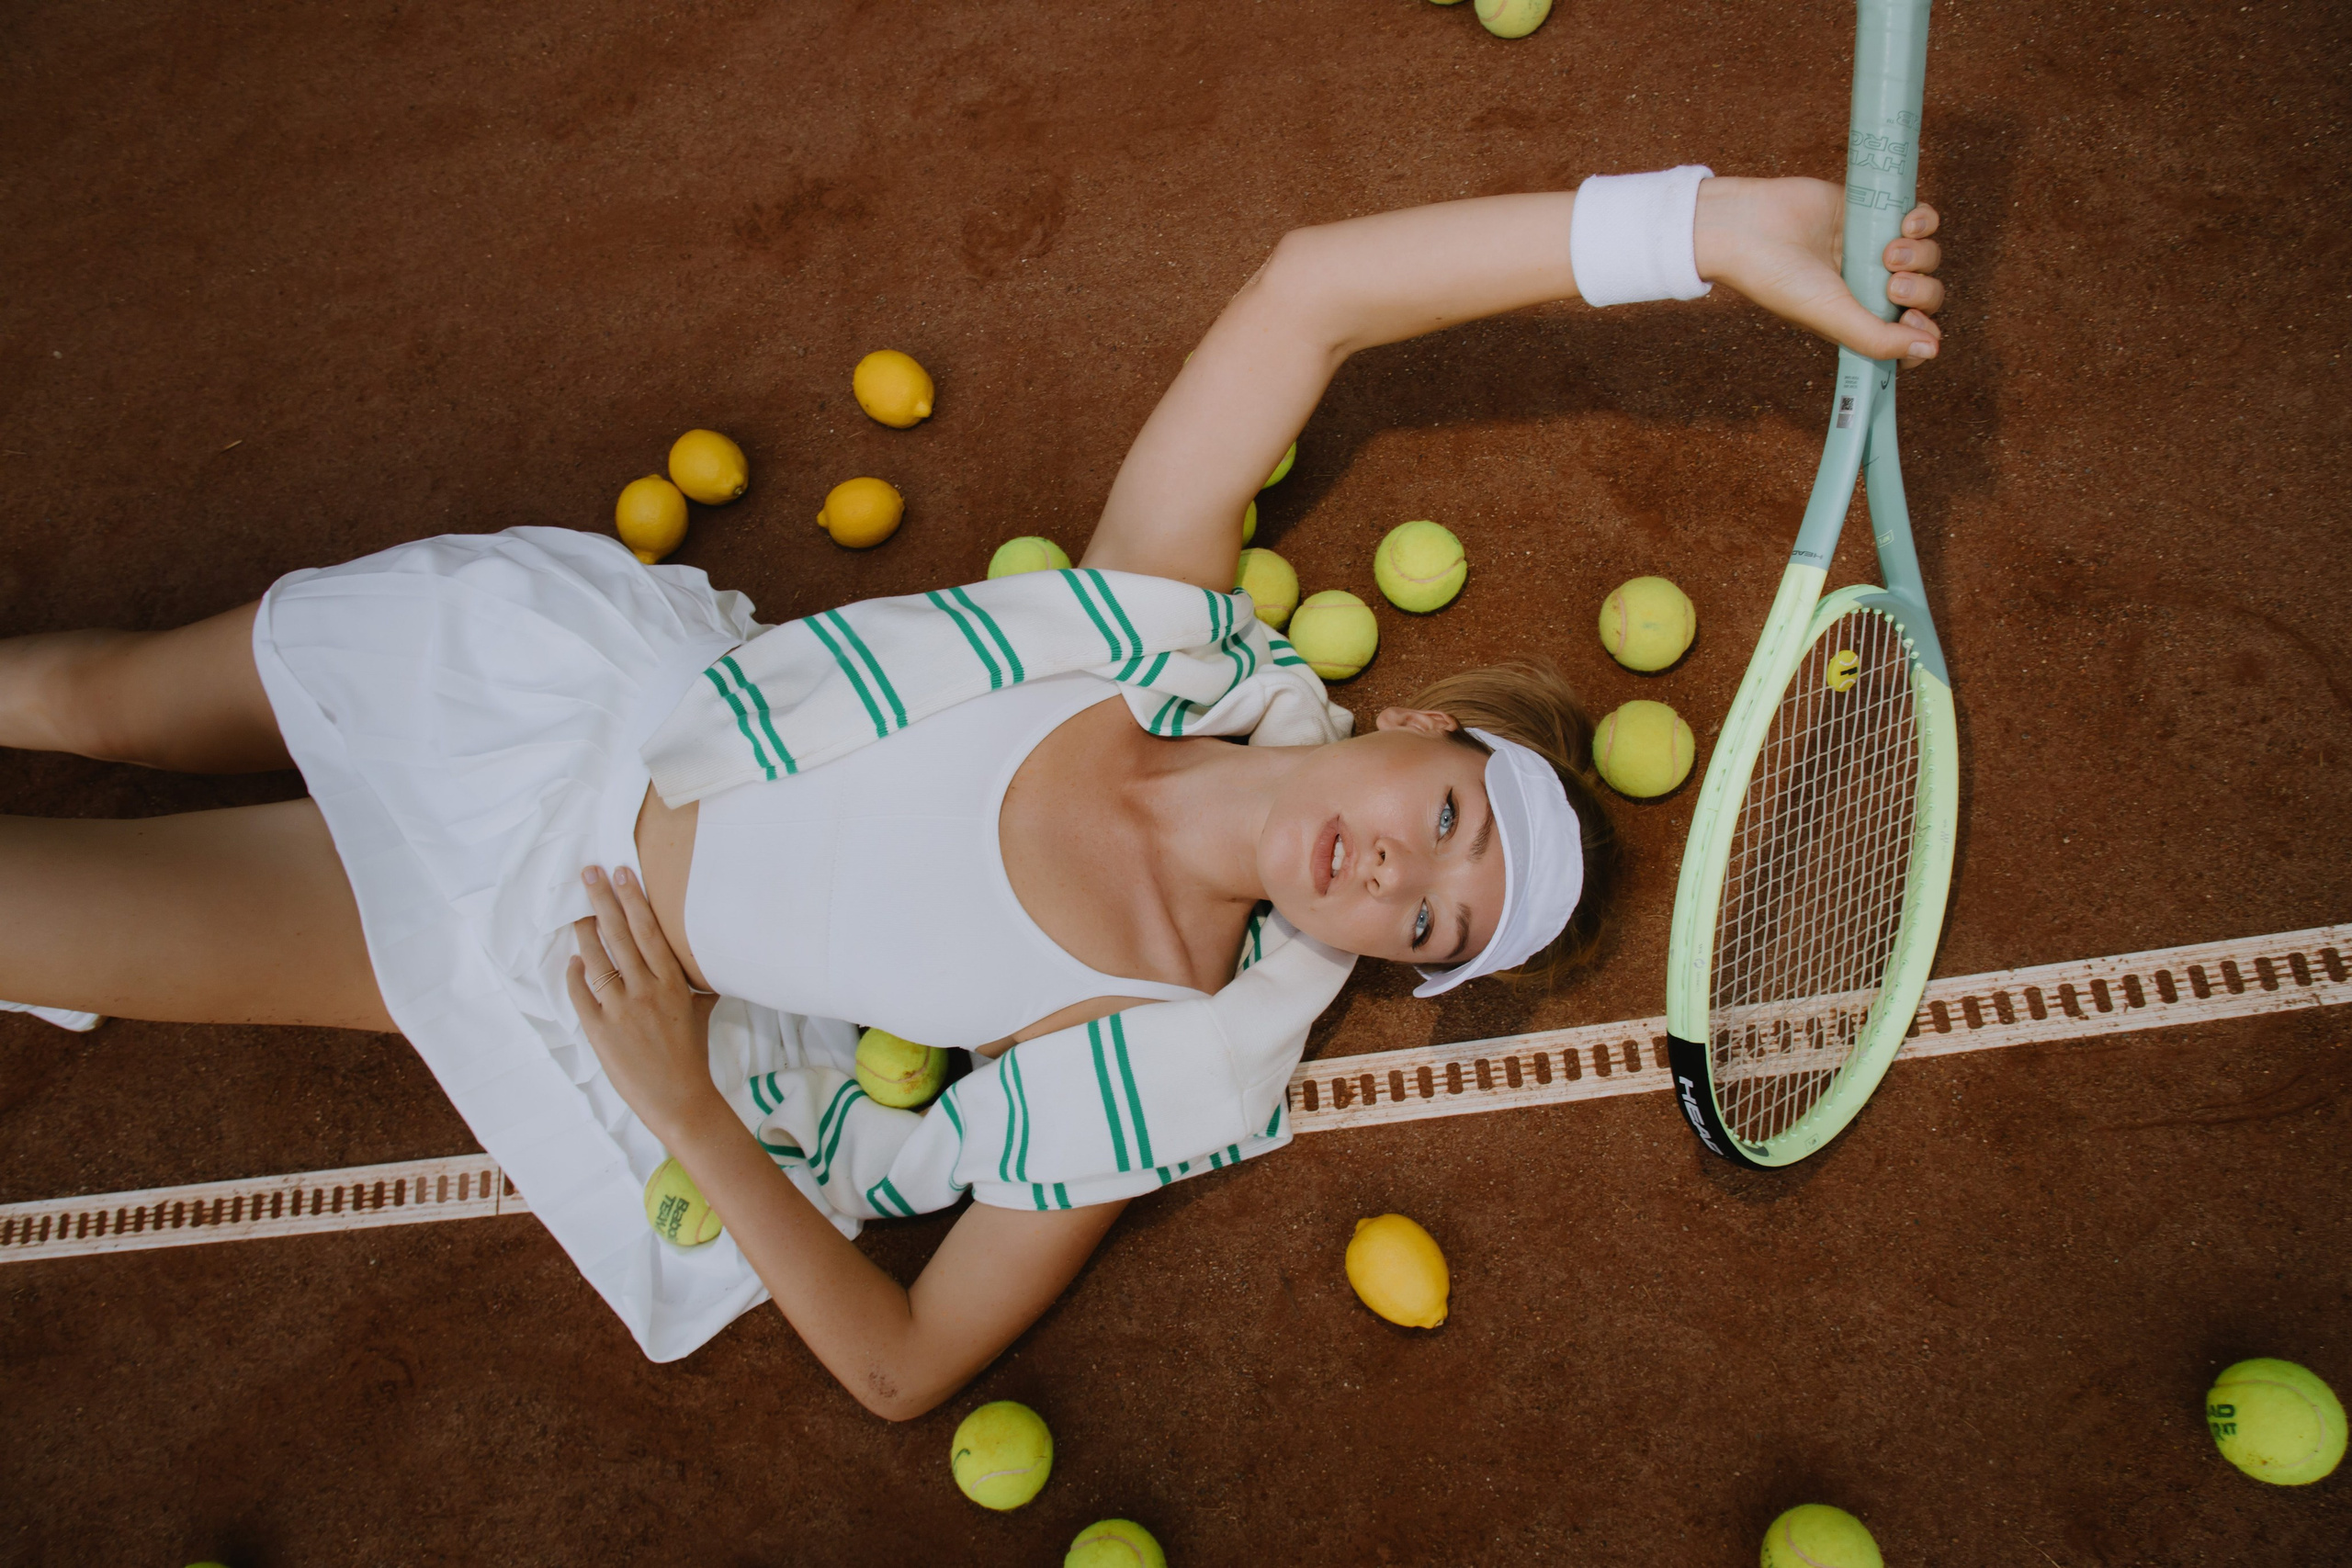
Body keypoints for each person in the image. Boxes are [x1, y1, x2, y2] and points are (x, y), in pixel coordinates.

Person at [0, 168, 1945, 1417]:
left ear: (1385, 958)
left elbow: (898, 1360)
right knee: (82, 689)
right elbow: (1305, 291)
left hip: (543, 947)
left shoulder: (1158, 1053)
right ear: (1404, 725)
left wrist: (681, 1097)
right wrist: (1697, 230)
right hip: (547, 697)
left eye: (1432, 920)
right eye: (1449, 808)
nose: (1398, 869)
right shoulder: (1154, 623)